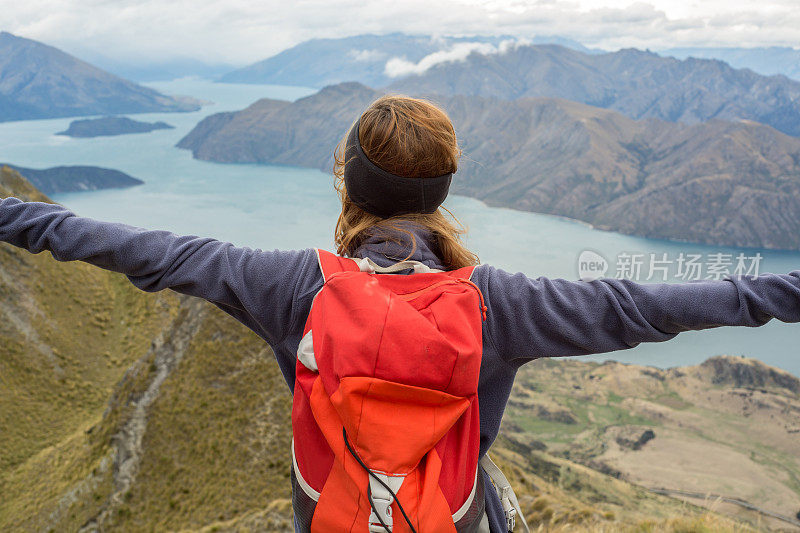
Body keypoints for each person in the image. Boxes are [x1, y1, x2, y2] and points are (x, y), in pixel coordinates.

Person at [1, 94, 799, 533]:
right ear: (442, 194)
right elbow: (644, 305)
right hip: (449, 518)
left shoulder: (291, 288)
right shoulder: (498, 305)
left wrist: (15, 217)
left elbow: (142, 250)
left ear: (348, 184)